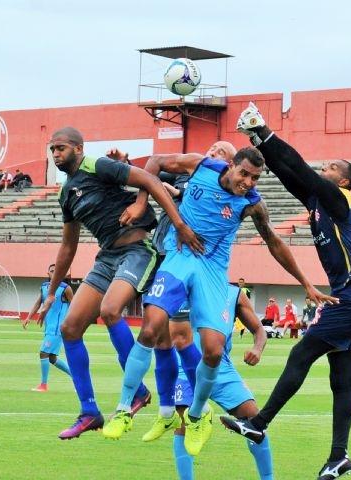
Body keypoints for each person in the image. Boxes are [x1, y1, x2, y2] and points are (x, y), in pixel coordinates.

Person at [102, 145, 333, 457]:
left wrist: (306, 283)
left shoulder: (251, 203)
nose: (248, 182)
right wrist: (143, 202)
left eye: (255, 178)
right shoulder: (202, 167)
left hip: (212, 270)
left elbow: (274, 242)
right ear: (230, 166)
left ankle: (196, 416)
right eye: (245, 174)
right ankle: (122, 409)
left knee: (211, 350)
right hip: (180, 258)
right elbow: (154, 163)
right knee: (151, 329)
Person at [221, 102, 351, 480]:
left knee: (301, 353)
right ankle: (339, 457)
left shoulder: (339, 201)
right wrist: (258, 141)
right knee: (341, 381)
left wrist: (266, 131)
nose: (326, 170)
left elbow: (302, 168)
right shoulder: (317, 203)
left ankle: (259, 422)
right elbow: (290, 173)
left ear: (343, 182)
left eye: (333, 169)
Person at [37, 126, 202, 440]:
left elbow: (150, 179)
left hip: (138, 250)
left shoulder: (97, 166)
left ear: (78, 147)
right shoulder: (66, 193)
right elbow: (68, 246)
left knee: (112, 309)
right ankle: (89, 412)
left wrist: (172, 222)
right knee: (69, 328)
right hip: (107, 257)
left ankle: (137, 392)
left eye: (61, 148)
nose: (56, 154)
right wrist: (52, 294)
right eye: (52, 150)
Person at [143, 285, 274, 480]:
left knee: (254, 418)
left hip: (220, 367)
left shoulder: (234, 294)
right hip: (183, 365)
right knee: (184, 422)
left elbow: (258, 330)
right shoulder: (180, 285)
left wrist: (257, 348)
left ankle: (268, 478)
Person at [23, 264, 73, 391]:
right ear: (48, 273)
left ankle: (43, 385)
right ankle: (77, 377)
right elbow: (38, 302)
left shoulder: (65, 289)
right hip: (48, 327)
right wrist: (29, 317)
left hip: (57, 328)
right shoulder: (44, 287)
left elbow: (74, 306)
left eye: (57, 271)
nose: (54, 273)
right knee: (52, 358)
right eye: (52, 271)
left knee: (43, 353)